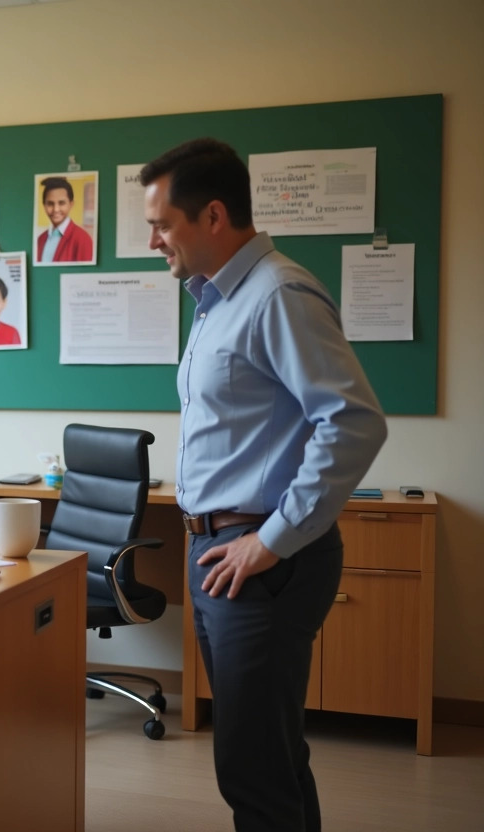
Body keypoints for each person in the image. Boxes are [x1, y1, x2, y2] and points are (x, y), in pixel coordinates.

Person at [140, 139, 386, 831]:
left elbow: (355, 422)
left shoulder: (279, 293)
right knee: (268, 757)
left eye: (162, 223)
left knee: (251, 766)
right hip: (217, 551)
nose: (151, 238)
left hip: (260, 560)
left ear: (213, 215)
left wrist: (269, 541)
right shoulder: (216, 301)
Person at [35, 175, 94, 264]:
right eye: (50, 204)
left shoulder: (82, 239)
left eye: (61, 203)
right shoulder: (40, 239)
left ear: (71, 204)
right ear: (44, 205)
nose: (56, 209)